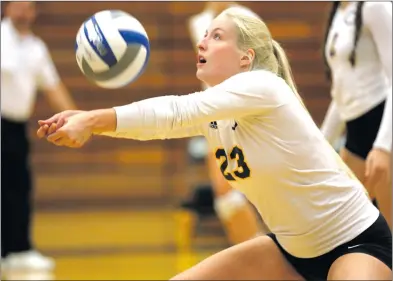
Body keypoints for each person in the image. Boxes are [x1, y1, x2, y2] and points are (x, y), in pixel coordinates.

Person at [37, 7, 391, 280]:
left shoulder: (264, 86)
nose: (202, 42)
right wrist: (86, 119)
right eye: (204, 35)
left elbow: (175, 111)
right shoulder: (217, 116)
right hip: (291, 253)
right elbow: (160, 125)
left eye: (217, 36)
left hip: (355, 243)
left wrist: (92, 120)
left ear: (245, 58)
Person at [1, 1, 77, 272]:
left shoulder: (37, 48)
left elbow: (53, 85)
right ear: (7, 9)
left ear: (34, 13)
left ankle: (18, 249)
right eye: (17, 6)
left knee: (19, 187)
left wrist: (78, 118)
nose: (23, 11)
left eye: (28, 7)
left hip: (16, 128)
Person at [187, 1, 266, 244]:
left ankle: (265, 257)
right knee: (225, 197)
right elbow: (207, 72)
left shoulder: (247, 19)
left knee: (235, 193)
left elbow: (261, 69)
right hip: (215, 115)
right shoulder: (198, 23)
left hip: (242, 111)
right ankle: (257, 256)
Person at [321, 2, 392, 229]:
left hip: (381, 125)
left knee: (388, 227)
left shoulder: (375, 7)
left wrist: (383, 147)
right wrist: (320, 144)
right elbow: (340, 93)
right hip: (355, 133)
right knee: (345, 222)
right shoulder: (339, 12)